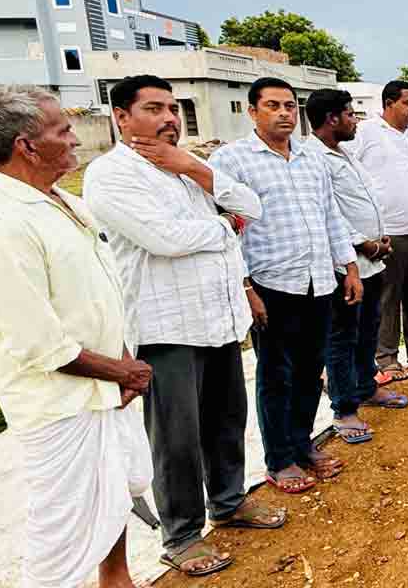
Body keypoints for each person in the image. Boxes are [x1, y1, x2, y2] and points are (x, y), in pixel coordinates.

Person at [83, 75, 283, 576]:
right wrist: (225, 226)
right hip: (164, 327)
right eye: (154, 108)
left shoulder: (187, 170)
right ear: (122, 117)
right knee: (175, 437)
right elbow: (164, 238)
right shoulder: (111, 175)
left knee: (225, 421)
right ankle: (182, 533)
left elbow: (253, 206)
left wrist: (194, 167)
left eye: (173, 108)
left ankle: (229, 501)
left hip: (215, 319)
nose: (169, 118)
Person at [0, 84, 153, 588]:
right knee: (60, 529)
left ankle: (117, 578)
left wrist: (123, 360)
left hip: (105, 384)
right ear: (26, 145)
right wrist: (121, 370)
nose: (75, 141)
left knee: (114, 493)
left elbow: (99, 295)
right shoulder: (5, 221)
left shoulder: (61, 200)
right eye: (63, 131)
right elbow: (37, 340)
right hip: (59, 401)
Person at [209, 77, 362, 494]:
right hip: (271, 284)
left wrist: (348, 267)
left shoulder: (313, 159)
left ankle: (302, 446)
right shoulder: (232, 161)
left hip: (318, 281)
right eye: (273, 105)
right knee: (277, 375)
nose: (284, 114)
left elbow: (330, 216)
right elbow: (227, 232)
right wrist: (246, 289)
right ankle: (279, 460)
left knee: (312, 371)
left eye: (290, 106)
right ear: (252, 111)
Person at [306, 89, 408, 447]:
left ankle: (367, 386)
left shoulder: (345, 153)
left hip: (373, 257)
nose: (355, 121)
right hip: (344, 262)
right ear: (332, 118)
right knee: (342, 337)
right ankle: (344, 407)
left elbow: (363, 200)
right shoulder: (313, 158)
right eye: (350, 114)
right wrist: (362, 242)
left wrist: (379, 240)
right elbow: (327, 210)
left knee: (369, 328)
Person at [347, 80, 408, 379]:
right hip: (390, 230)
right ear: (388, 104)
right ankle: (386, 356)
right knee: (388, 295)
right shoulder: (366, 133)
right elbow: (349, 173)